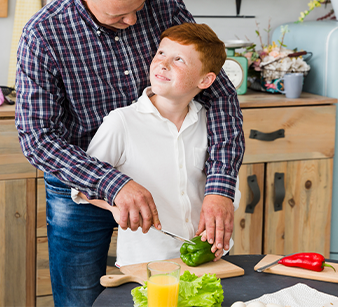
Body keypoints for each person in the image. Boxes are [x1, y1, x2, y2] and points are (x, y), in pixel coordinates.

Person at [14, 0, 245, 307]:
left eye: (138, 5)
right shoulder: (44, 34)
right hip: (83, 183)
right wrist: (113, 183)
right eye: (118, 15)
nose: (133, 20)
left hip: (160, 179)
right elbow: (38, 138)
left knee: (167, 293)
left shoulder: (166, 5)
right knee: (80, 298)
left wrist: (219, 188)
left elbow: (218, 93)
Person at [73, 23, 239, 267]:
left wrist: (215, 235)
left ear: (206, 80)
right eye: (161, 53)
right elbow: (81, 184)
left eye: (179, 59)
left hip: (209, 258)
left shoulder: (212, 124)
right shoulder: (122, 121)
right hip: (146, 262)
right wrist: (114, 205)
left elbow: (229, 187)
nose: (163, 63)